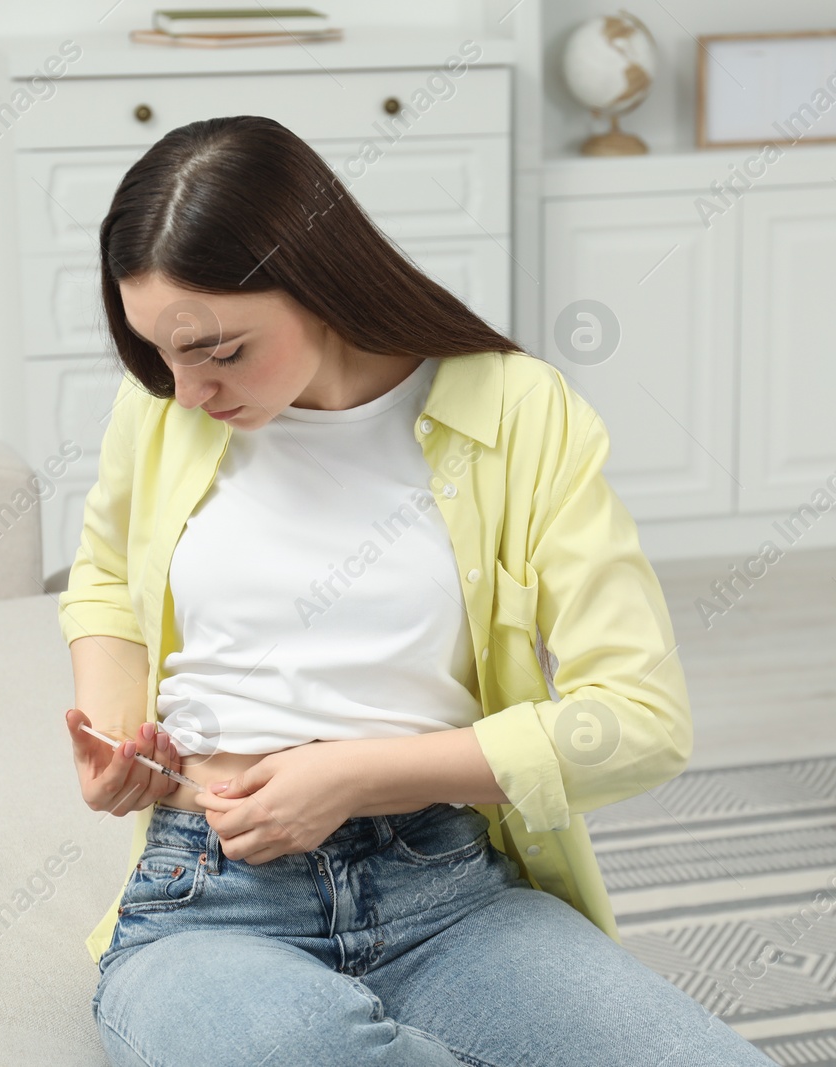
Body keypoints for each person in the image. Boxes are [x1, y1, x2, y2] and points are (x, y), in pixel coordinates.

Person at [58, 115, 775, 1066]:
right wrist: (121, 739)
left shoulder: (521, 413)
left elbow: (640, 719)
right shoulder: (161, 412)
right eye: (159, 354)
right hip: (212, 904)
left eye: (222, 352)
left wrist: (354, 775)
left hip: (447, 891)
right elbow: (106, 572)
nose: (187, 391)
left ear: (319, 283)